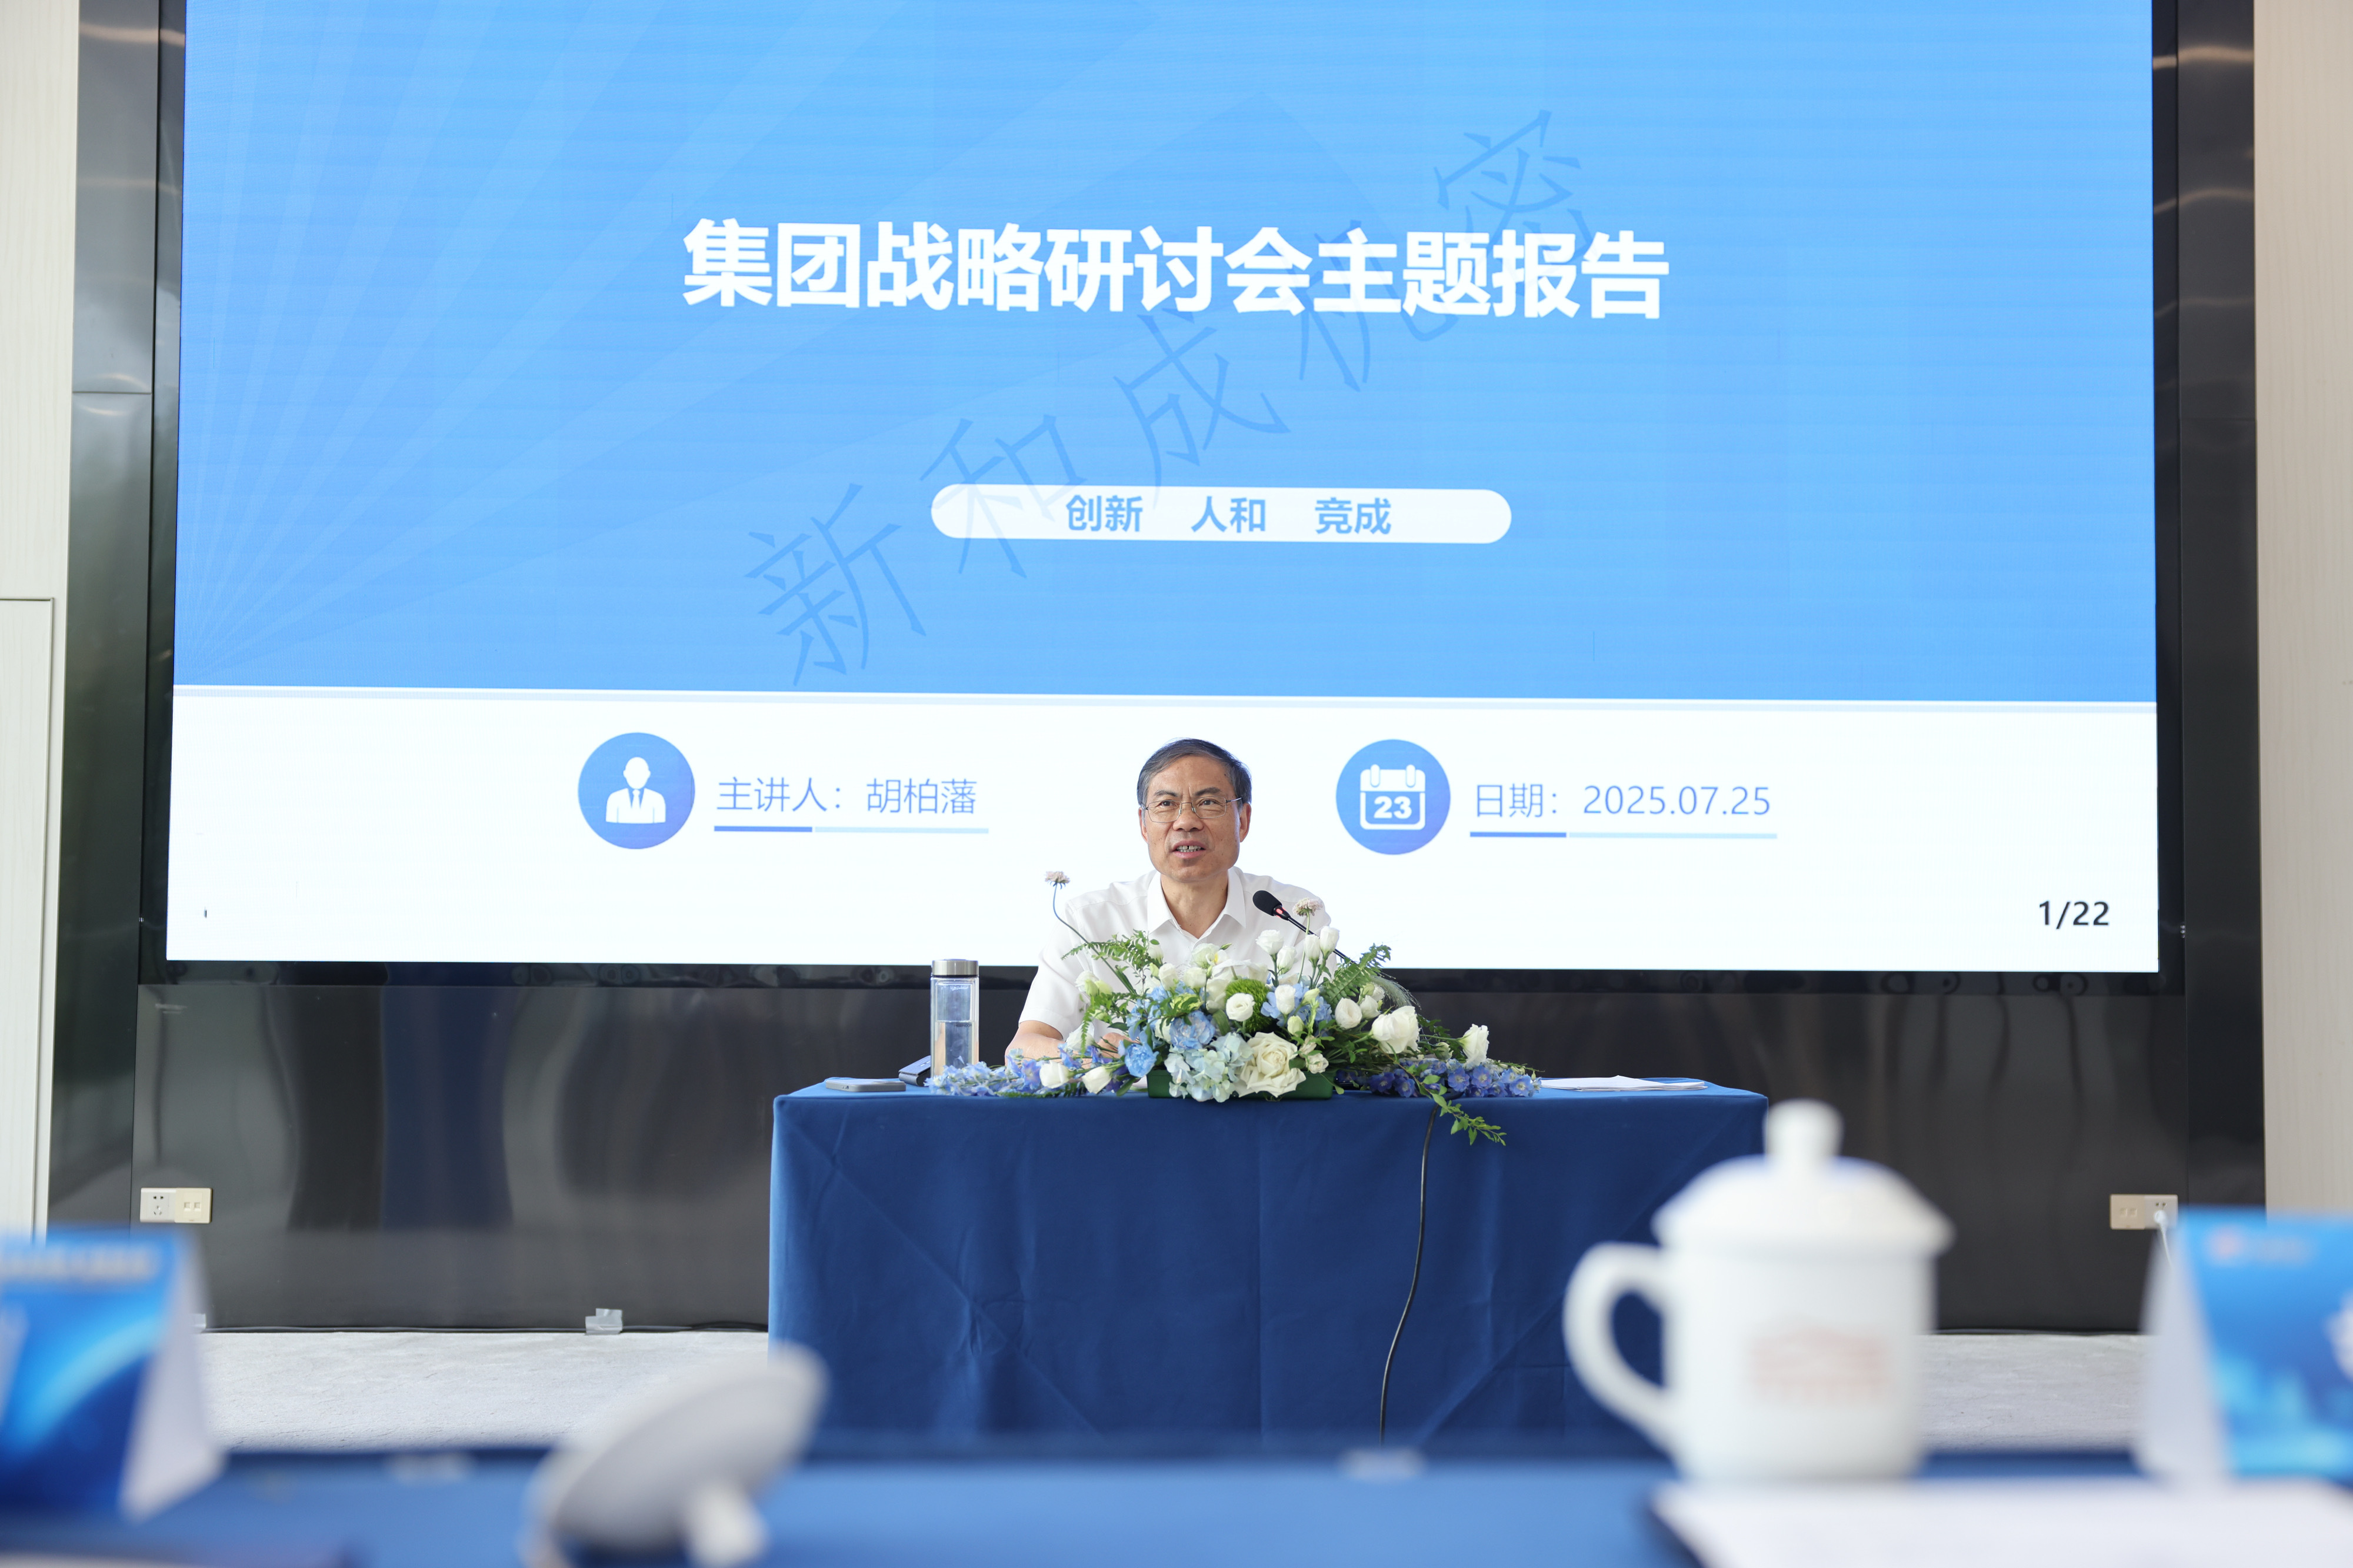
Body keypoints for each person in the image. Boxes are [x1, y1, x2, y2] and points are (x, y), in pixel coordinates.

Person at [1007, 738, 1329, 1063]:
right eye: (1166, 804)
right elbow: (1023, 1049)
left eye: (1208, 803)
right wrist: (1094, 1058)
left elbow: (1324, 1045)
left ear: (1242, 821)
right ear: (1143, 825)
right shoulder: (1087, 921)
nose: (1186, 821)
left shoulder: (1295, 916)